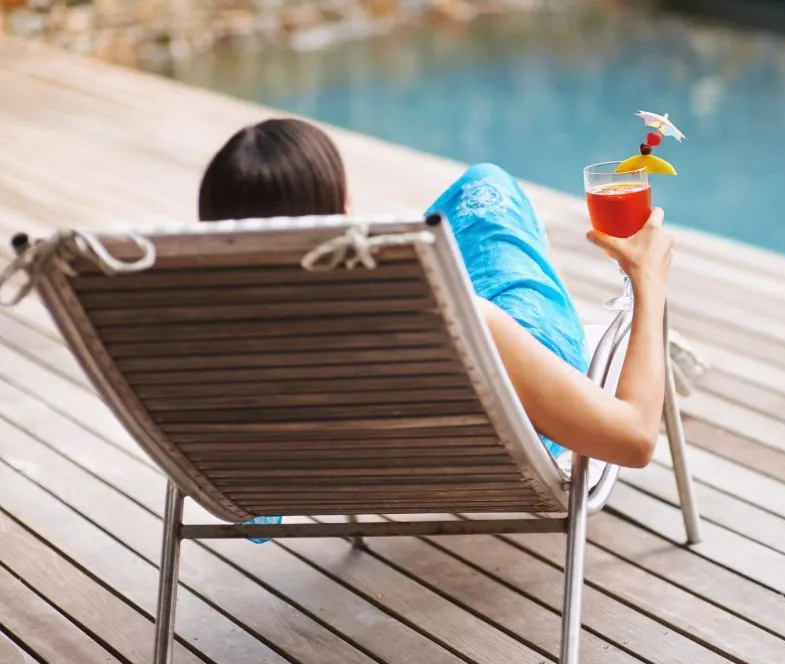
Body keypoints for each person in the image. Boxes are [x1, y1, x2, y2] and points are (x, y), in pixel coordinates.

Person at [199, 117, 674, 469]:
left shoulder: (202, 346)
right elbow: (633, 439)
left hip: (367, 446)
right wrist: (647, 280)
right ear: (341, 214)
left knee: (466, 217)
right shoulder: (460, 321)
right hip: (512, 417)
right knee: (487, 188)